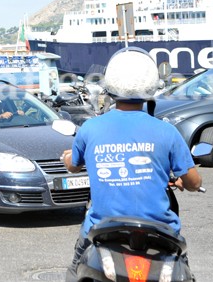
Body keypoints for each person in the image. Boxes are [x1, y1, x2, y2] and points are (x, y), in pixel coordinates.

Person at [62, 47, 203, 282]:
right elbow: (194, 182)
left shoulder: (90, 128)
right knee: (185, 273)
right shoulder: (167, 131)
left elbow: (73, 166)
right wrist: (182, 181)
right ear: (151, 87)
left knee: (75, 271)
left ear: (111, 86)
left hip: (102, 230)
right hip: (160, 232)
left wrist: (67, 157)